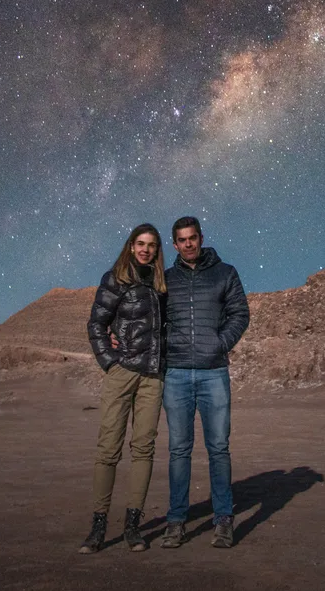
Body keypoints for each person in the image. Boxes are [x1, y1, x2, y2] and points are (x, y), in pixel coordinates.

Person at [158, 216, 250, 549]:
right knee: (178, 450)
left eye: (192, 238)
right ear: (175, 244)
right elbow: (152, 321)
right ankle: (176, 521)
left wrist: (220, 343)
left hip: (214, 373)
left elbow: (240, 313)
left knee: (218, 448)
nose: (188, 244)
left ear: (201, 238)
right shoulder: (166, 280)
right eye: (181, 240)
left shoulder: (226, 273)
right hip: (177, 375)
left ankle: (224, 519)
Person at [79, 223, 167, 554]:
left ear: (158, 250)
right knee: (108, 449)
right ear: (131, 246)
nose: (145, 249)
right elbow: (96, 324)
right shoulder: (116, 278)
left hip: (152, 378)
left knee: (144, 448)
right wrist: (110, 362)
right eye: (140, 244)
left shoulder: (161, 285)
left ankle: (133, 526)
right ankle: (99, 525)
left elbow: (164, 330)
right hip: (122, 373)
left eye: (152, 245)